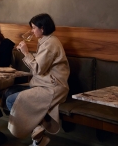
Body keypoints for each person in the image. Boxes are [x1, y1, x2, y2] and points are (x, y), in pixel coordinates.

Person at [6, 13, 70, 146]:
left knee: (11, 100)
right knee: (9, 92)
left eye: (34, 28)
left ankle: (36, 132)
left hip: (53, 87)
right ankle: (37, 133)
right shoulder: (45, 40)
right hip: (41, 83)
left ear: (42, 28)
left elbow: (38, 69)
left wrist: (25, 52)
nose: (32, 31)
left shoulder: (51, 43)